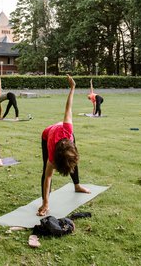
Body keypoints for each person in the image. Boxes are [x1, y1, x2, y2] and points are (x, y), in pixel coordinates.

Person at [38, 75, 90, 216]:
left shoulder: (68, 129)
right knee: (45, 170)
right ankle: (44, 200)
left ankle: (77, 185)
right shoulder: (52, 155)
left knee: (71, 160)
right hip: (47, 134)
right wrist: (46, 203)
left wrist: (73, 87)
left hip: (65, 136)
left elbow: (69, 106)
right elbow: (48, 177)